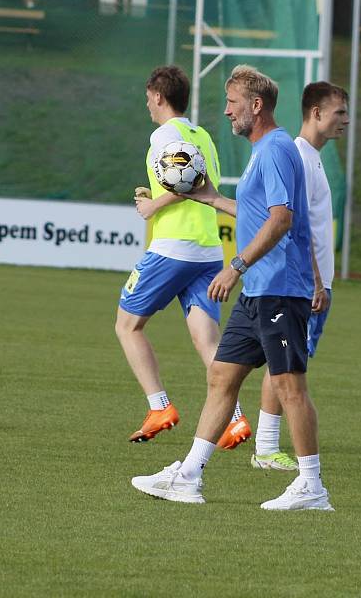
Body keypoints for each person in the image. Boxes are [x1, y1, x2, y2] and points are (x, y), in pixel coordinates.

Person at [131, 65, 333, 511]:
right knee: (222, 377)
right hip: (259, 291)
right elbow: (260, 213)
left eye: (233, 104)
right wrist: (211, 199)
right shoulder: (263, 150)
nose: (226, 113)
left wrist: (235, 265)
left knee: (290, 386)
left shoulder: (278, 148)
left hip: (279, 288)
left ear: (256, 106)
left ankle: (312, 486)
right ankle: (188, 476)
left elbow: (282, 219)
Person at [115, 65, 250, 448]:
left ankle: (159, 406)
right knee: (206, 341)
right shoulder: (201, 135)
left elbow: (185, 181)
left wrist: (152, 206)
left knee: (127, 325)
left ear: (158, 96)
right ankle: (235, 419)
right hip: (208, 250)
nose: (147, 105)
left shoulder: (164, 135)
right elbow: (203, 181)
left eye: (147, 98)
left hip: (173, 248)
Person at [250, 81, 348, 472]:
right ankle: (266, 446)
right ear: (317, 113)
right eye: (339, 112)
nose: (345, 120)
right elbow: (295, 226)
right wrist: (317, 282)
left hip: (310, 283)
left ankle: (264, 444)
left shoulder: (313, 156)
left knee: (284, 363)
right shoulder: (301, 157)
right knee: (286, 366)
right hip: (305, 285)